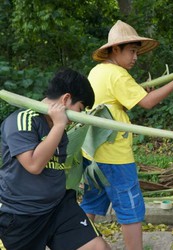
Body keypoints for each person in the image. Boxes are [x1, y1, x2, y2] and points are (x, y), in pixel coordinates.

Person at [80, 20, 173, 250]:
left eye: (136, 52)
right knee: (130, 208)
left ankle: (79, 244)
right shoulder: (118, 74)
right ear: (116, 49)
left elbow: (110, 106)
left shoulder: (97, 71)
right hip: (115, 156)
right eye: (132, 51)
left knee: (91, 204)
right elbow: (147, 102)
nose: (135, 57)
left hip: (92, 153)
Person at [0, 68, 111, 249]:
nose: (77, 117)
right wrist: (59, 125)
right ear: (66, 99)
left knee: (98, 247)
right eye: (80, 109)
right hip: (21, 215)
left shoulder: (60, 131)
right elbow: (33, 164)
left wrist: (58, 126)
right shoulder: (22, 119)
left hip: (58, 208)